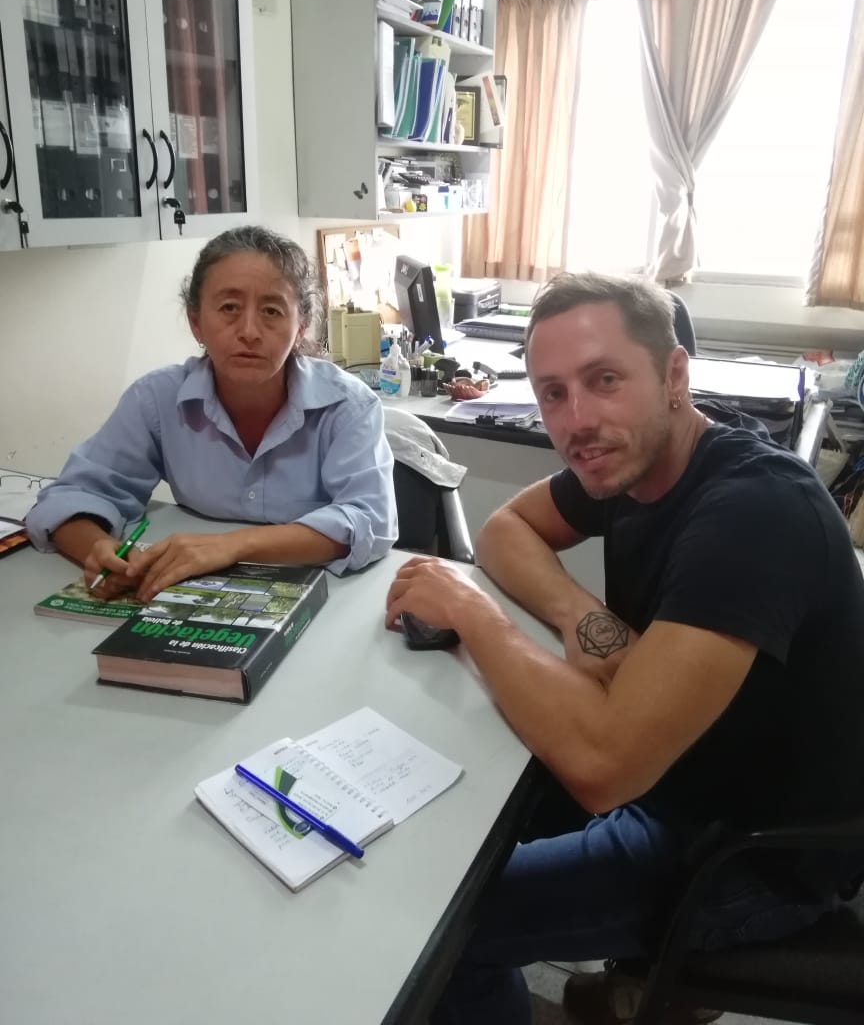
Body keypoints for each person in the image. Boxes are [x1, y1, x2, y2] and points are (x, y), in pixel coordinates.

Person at [385, 272, 864, 1025]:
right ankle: (631, 983)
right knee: (448, 803)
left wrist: (475, 614)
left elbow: (604, 768)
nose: (577, 420)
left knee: (437, 927)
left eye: (604, 380)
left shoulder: (754, 513)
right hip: (677, 774)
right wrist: (583, 617)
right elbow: (509, 528)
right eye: (552, 393)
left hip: (747, 854)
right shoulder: (637, 458)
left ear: (674, 377)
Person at [27, 225, 397, 600]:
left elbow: (371, 520)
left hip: (328, 598)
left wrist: (233, 546)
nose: (249, 331)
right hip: (193, 593)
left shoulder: (347, 406)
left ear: (300, 328)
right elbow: (71, 496)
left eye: (272, 311)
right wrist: (98, 549)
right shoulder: (157, 399)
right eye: (229, 308)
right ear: (196, 323)